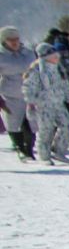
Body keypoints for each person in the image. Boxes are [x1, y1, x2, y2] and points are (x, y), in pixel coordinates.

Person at [22, 43, 69, 165]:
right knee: (46, 130)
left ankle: (59, 151)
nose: (56, 57)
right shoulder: (37, 71)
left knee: (67, 126)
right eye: (53, 55)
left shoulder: (59, 69)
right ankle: (44, 155)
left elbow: (66, 86)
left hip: (59, 104)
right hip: (44, 105)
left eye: (56, 55)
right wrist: (30, 102)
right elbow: (28, 87)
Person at [0, 27, 36, 160]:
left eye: (16, 39)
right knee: (14, 124)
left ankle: (29, 150)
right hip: (11, 94)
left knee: (31, 123)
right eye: (10, 40)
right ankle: (20, 148)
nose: (14, 42)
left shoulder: (28, 53)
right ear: (4, 41)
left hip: (31, 93)